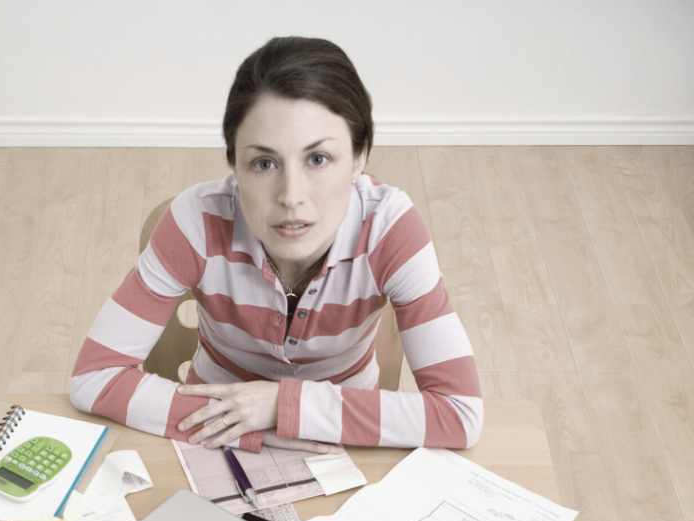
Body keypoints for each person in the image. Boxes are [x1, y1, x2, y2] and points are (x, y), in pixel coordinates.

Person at [70, 36, 482, 454]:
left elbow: (459, 415)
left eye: (318, 159)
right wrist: (248, 427)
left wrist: (283, 407)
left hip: (346, 440)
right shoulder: (196, 221)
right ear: (234, 164)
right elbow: (93, 376)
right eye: (264, 163)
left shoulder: (390, 229)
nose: (291, 196)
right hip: (215, 438)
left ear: (360, 157)